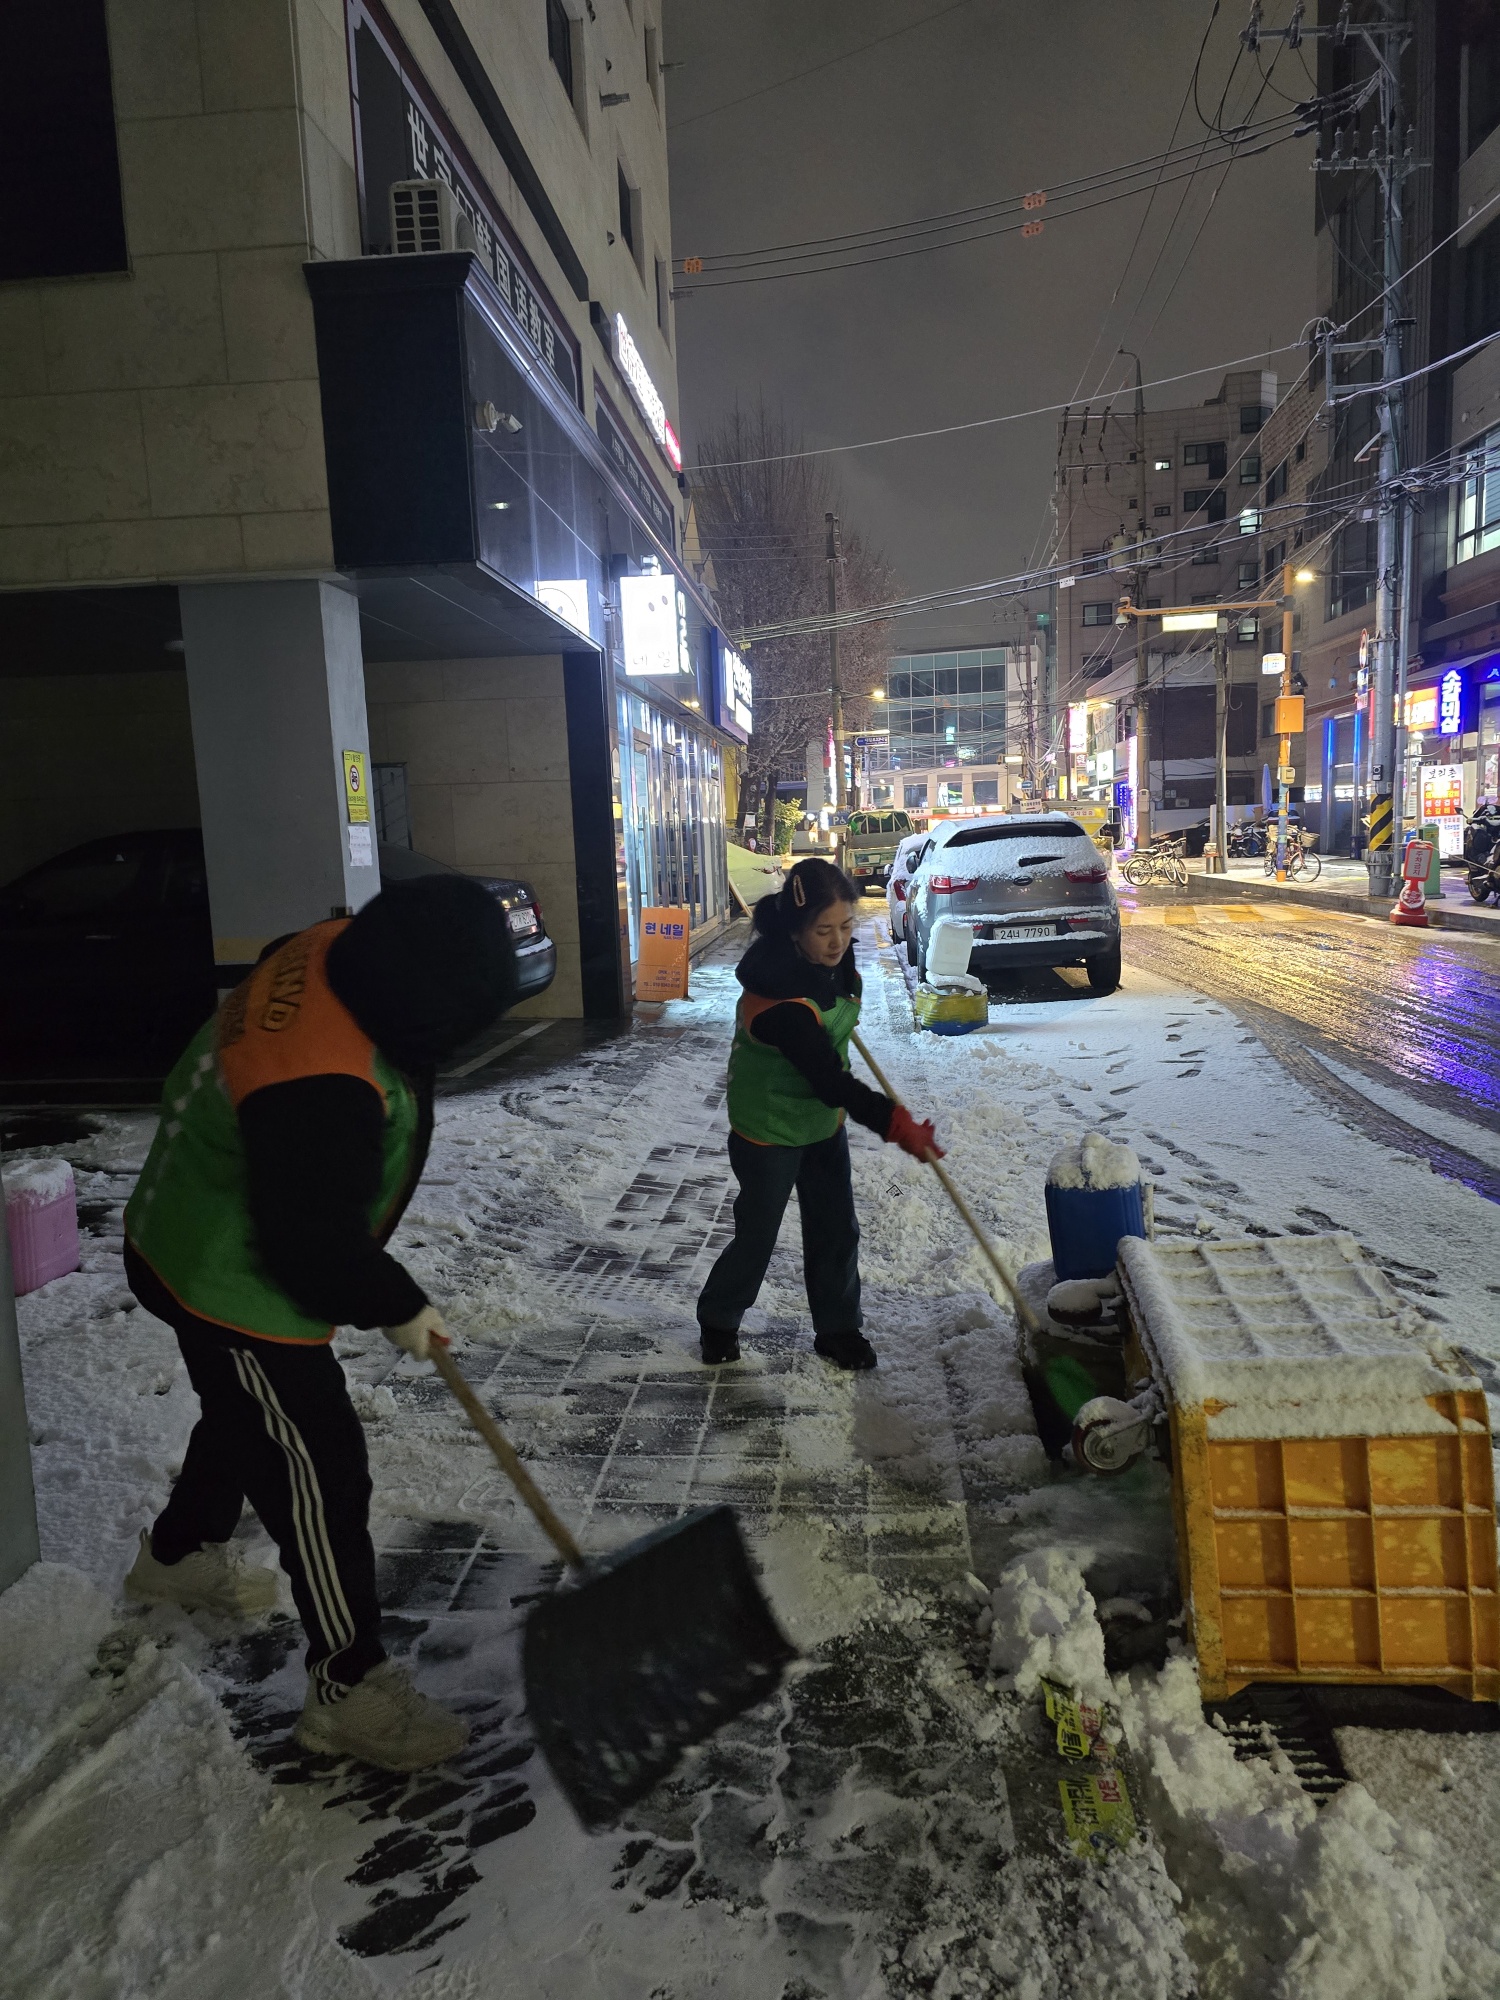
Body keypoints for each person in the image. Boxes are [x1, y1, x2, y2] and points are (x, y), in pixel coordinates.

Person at [121, 876, 517, 1773]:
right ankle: (348, 1683)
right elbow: (310, 1247)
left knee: (250, 1411)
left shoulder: (336, 944)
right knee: (322, 1467)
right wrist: (397, 1304)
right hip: (230, 1273)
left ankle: (179, 1554)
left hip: (187, 1224)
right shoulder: (317, 1080)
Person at [696, 857, 941, 1371]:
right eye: (823, 931)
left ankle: (838, 1329)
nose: (838, 942)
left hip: (819, 1125)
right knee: (758, 1233)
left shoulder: (834, 960)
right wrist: (894, 1123)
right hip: (768, 1127)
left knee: (835, 1227)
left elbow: (832, 1018)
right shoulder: (778, 994)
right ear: (794, 932)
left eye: (847, 926)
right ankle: (719, 1318)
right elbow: (829, 1081)